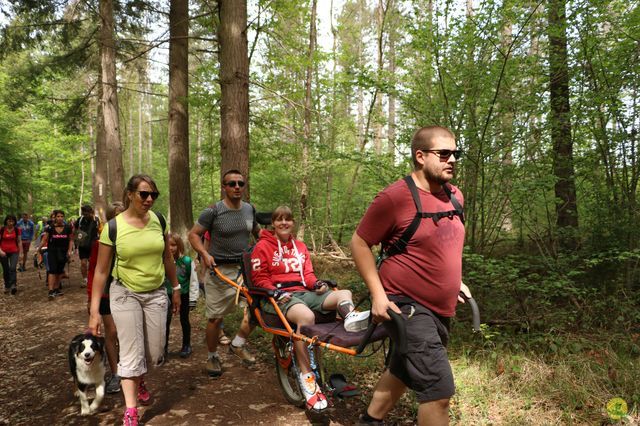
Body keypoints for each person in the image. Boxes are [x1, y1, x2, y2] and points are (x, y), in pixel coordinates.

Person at [350, 126, 472, 426]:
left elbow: (446, 243)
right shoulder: (395, 198)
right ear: (420, 156)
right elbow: (360, 242)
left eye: (456, 153)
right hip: (405, 305)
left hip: (440, 308)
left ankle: (369, 421)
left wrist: (455, 280)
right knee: (438, 390)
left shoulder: (455, 196)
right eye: (444, 153)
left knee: (403, 368)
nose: (452, 159)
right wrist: (378, 295)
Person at [251, 205, 370, 411]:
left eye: (287, 219)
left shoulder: (301, 247)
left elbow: (308, 275)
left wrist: (317, 285)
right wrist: (275, 292)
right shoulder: (262, 247)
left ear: (293, 222)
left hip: (305, 292)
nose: (283, 223)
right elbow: (259, 278)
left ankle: (351, 319)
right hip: (278, 297)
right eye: (279, 219)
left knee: (344, 293)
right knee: (306, 317)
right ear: (273, 224)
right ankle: (307, 379)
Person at [88, 174, 181, 426]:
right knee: (130, 352)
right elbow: (101, 271)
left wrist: (175, 287)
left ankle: (139, 378)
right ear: (130, 194)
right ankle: (131, 410)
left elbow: (168, 259)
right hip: (125, 292)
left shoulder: (159, 221)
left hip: (155, 292)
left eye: (153, 195)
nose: (149, 199)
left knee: (154, 352)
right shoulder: (113, 227)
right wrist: (95, 311)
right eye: (143, 194)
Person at [188, 169, 260, 378]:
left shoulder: (249, 209)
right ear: (224, 187)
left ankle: (237, 344)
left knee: (257, 309)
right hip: (219, 270)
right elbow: (193, 235)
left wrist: (275, 240)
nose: (237, 187)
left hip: (244, 270)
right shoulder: (213, 211)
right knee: (215, 318)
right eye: (232, 184)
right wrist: (203, 253)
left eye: (240, 183)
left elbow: (257, 232)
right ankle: (212, 356)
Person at [87, 201, 125, 394]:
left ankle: (130, 370)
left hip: (128, 291)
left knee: (125, 333)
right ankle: (116, 373)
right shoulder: (101, 240)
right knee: (112, 332)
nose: (119, 219)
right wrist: (91, 300)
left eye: (122, 214)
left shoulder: (131, 238)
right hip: (106, 293)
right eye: (115, 215)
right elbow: (95, 270)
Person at [164, 233, 199, 358]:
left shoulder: (187, 261)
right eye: (168, 245)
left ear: (179, 246)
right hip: (166, 295)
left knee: (184, 320)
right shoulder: (162, 261)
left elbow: (193, 281)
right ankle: (163, 347)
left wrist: (193, 298)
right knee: (165, 322)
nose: (171, 248)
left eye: (173, 245)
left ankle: (186, 345)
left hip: (183, 294)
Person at [40, 210, 73, 299]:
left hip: (63, 252)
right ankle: (50, 291)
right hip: (52, 251)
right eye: (58, 216)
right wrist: (39, 249)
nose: (60, 218)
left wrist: (69, 251)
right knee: (52, 270)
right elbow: (44, 239)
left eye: (62, 216)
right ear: (54, 217)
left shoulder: (68, 227)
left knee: (60, 270)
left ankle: (56, 289)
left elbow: (70, 240)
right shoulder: (50, 228)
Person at [75, 205, 100, 288]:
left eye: (87, 213)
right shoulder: (80, 220)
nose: (85, 215)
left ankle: (94, 279)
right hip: (82, 245)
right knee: (83, 263)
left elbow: (100, 231)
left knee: (93, 263)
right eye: (84, 213)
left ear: (91, 212)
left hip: (93, 245)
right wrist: (76, 245)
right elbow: (75, 231)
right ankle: (85, 279)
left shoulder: (96, 220)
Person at [0, 215, 22, 295]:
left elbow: (19, 241)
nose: (11, 223)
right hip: (3, 252)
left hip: (14, 251)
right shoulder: (2, 229)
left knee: (12, 268)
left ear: (14, 222)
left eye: (12, 221)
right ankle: (7, 286)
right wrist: (0, 251)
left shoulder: (17, 230)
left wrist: (21, 253)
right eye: (9, 221)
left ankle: (13, 285)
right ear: (6, 221)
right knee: (6, 270)